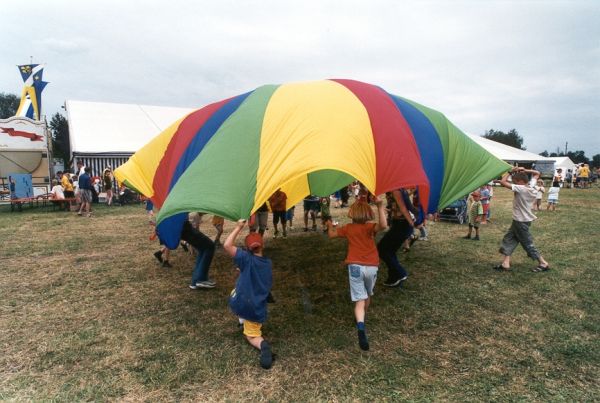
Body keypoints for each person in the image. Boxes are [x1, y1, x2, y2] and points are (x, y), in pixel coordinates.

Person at [325, 196, 387, 351]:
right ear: (368, 214)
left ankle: (360, 326)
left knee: (359, 299)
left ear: (351, 214)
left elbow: (332, 235)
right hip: (371, 266)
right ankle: (362, 318)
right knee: (367, 295)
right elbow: (384, 226)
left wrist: (329, 225)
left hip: (354, 267)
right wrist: (380, 206)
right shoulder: (370, 227)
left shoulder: (348, 228)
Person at [224, 220, 274, 369]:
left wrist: (239, 227)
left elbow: (227, 245)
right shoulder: (268, 264)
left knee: (251, 336)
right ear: (262, 245)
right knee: (250, 329)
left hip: (240, 301)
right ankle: (246, 324)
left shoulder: (245, 259)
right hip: (255, 306)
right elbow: (257, 273)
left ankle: (262, 344)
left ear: (246, 249)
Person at [495, 167, 550, 272]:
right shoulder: (531, 185)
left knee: (527, 243)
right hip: (522, 220)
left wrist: (510, 172)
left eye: (515, 182)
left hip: (520, 221)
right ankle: (505, 263)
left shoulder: (521, 188)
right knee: (509, 239)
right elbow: (537, 173)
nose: (514, 183)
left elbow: (503, 182)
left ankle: (543, 263)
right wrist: (525, 171)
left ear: (520, 182)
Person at [378, 189, 416, 287]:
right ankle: (393, 278)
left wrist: (411, 223)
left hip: (403, 224)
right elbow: (399, 206)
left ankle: (401, 273)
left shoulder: (396, 190)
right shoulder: (396, 190)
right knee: (390, 251)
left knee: (381, 248)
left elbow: (403, 208)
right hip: (398, 223)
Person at [180, 219, 216, 289]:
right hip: (188, 231)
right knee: (210, 246)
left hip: (186, 231)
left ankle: (195, 281)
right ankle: (200, 279)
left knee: (202, 249)